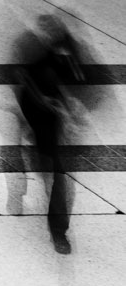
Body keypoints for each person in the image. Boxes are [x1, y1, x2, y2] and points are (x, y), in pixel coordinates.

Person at [12, 13, 91, 254]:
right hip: (41, 116)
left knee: (60, 176)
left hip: (57, 120)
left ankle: (59, 231)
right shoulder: (31, 52)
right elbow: (25, 87)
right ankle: (58, 231)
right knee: (55, 170)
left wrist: (74, 107)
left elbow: (83, 85)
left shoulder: (68, 53)